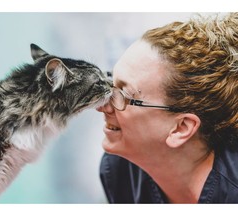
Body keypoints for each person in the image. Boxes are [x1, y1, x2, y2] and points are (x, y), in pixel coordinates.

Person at [96, 13, 238, 203]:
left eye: (124, 94)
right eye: (110, 83)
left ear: (181, 128)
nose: (102, 106)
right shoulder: (119, 171)